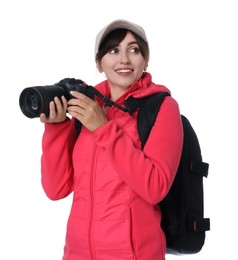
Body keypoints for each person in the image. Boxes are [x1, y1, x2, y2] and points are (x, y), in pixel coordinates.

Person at [40, 19, 183, 260]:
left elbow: (155, 187)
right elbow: (56, 189)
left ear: (145, 60)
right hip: (77, 253)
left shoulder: (162, 107)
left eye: (134, 50)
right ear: (99, 63)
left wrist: (104, 129)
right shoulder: (87, 107)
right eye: (113, 50)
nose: (124, 59)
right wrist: (56, 129)